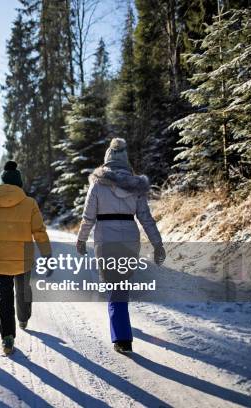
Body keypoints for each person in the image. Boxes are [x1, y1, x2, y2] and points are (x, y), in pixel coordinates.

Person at [76, 138, 166, 354]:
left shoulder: (97, 184)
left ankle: (122, 338)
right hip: (129, 240)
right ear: (125, 160)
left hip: (105, 240)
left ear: (107, 159)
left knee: (114, 287)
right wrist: (157, 244)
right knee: (121, 285)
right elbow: (146, 218)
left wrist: (81, 239)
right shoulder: (135, 186)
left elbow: (88, 217)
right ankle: (122, 324)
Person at [0, 161, 51, 355]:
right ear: (19, 184)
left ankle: (7, 337)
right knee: (23, 288)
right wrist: (46, 254)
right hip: (24, 257)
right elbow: (39, 231)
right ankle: (23, 318)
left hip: (1, 258)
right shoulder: (29, 203)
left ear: (2, 183)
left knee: (4, 296)